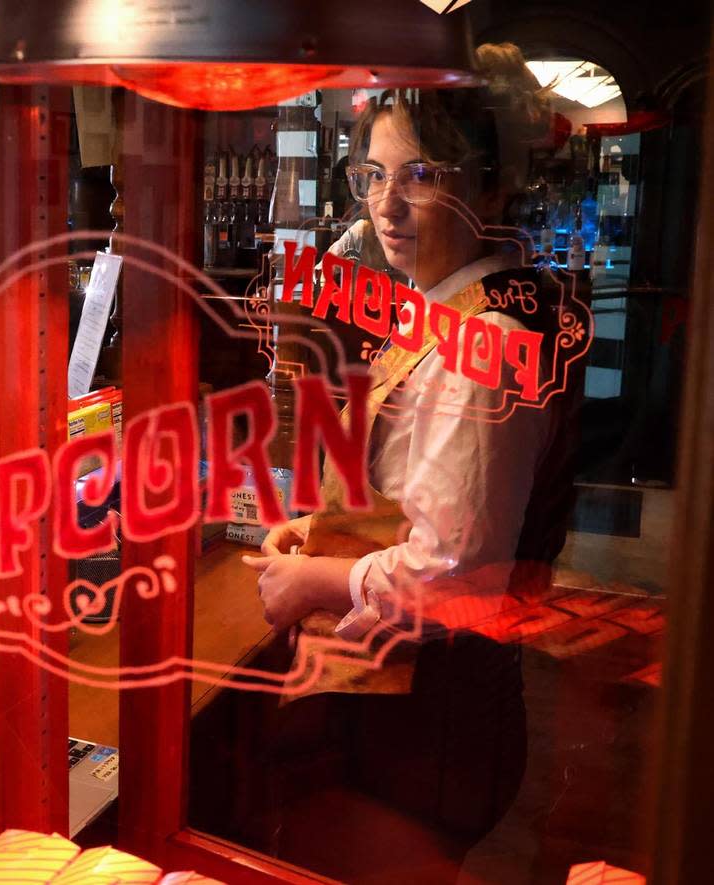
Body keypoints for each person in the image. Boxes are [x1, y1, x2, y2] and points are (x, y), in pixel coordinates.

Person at [234, 44, 583, 881]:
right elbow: (424, 503)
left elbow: (452, 573)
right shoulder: (462, 304)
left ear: (491, 187)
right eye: (374, 176)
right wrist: (324, 532)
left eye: (422, 175)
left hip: (430, 723)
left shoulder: (485, 341)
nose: (388, 207)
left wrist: (314, 583)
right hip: (430, 709)